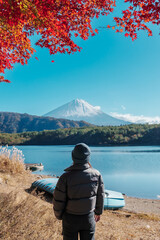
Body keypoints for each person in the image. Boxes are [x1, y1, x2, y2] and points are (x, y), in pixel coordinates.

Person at [53, 143, 104, 240]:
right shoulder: (96, 174)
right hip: (89, 218)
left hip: (70, 219)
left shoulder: (65, 177)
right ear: (88, 158)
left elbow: (58, 200)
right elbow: (100, 195)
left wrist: (59, 216)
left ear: (73, 157)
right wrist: (98, 212)